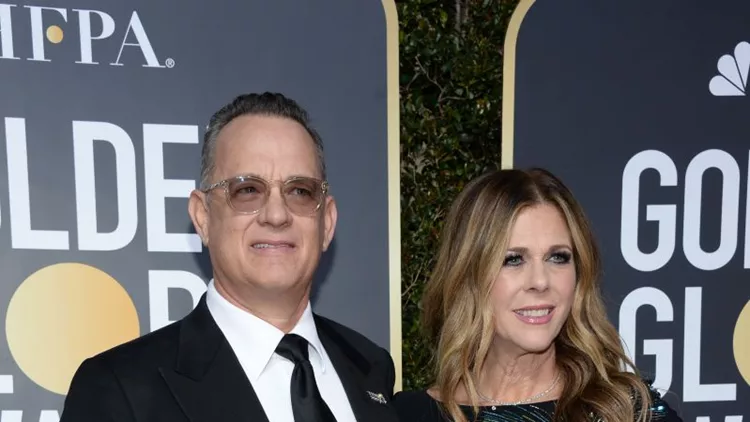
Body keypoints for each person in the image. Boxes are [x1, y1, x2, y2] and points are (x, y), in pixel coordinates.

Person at [60, 93, 399, 422]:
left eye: (300, 191)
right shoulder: (121, 388)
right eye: (247, 190)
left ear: (326, 223)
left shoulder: (368, 366)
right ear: (203, 217)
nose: (277, 214)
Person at [392, 168, 682, 422]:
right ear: (469, 275)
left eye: (558, 257)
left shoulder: (627, 411)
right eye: (513, 259)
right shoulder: (407, 414)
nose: (541, 281)